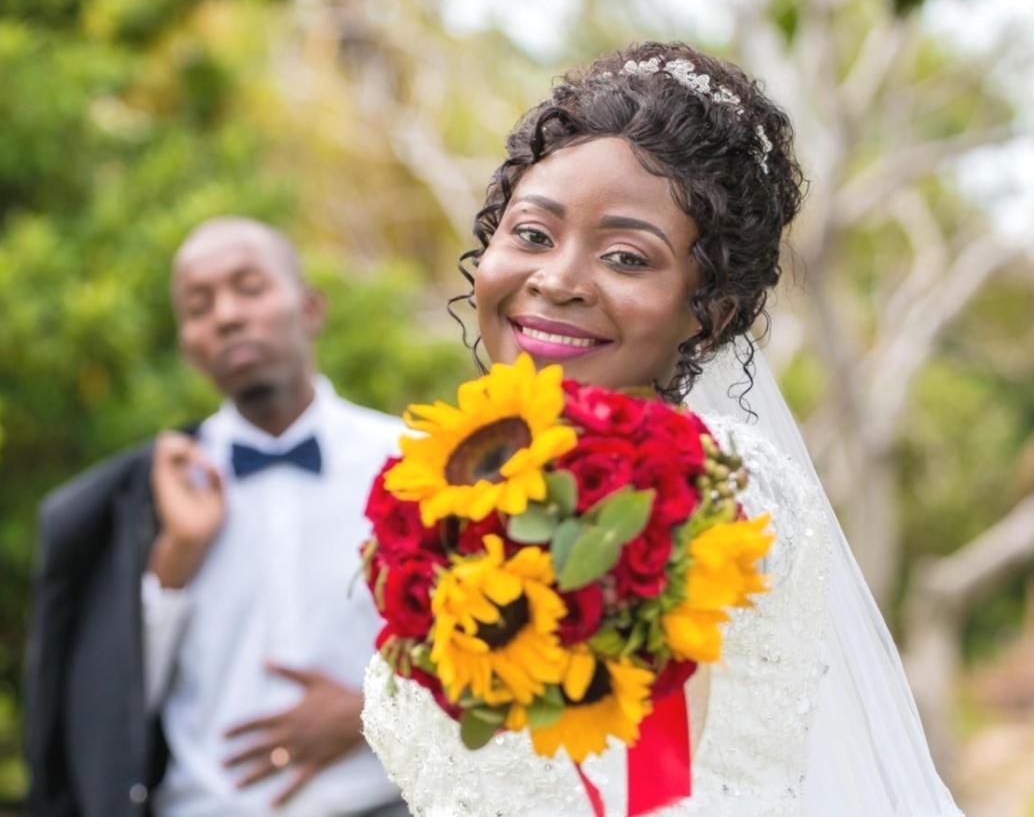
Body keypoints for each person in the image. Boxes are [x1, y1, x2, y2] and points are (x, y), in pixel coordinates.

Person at [359, 41, 964, 815]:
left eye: (624, 257)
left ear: (706, 311)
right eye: (532, 236)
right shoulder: (459, 478)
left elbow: (658, 786)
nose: (555, 281)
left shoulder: (704, 486)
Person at [26, 218, 408, 817]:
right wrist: (175, 560)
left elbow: (484, 649)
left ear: (309, 308)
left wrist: (379, 705)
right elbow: (108, 710)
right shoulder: (137, 498)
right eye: (198, 306)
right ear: (188, 346)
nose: (226, 315)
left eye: (250, 287)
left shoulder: (416, 461)